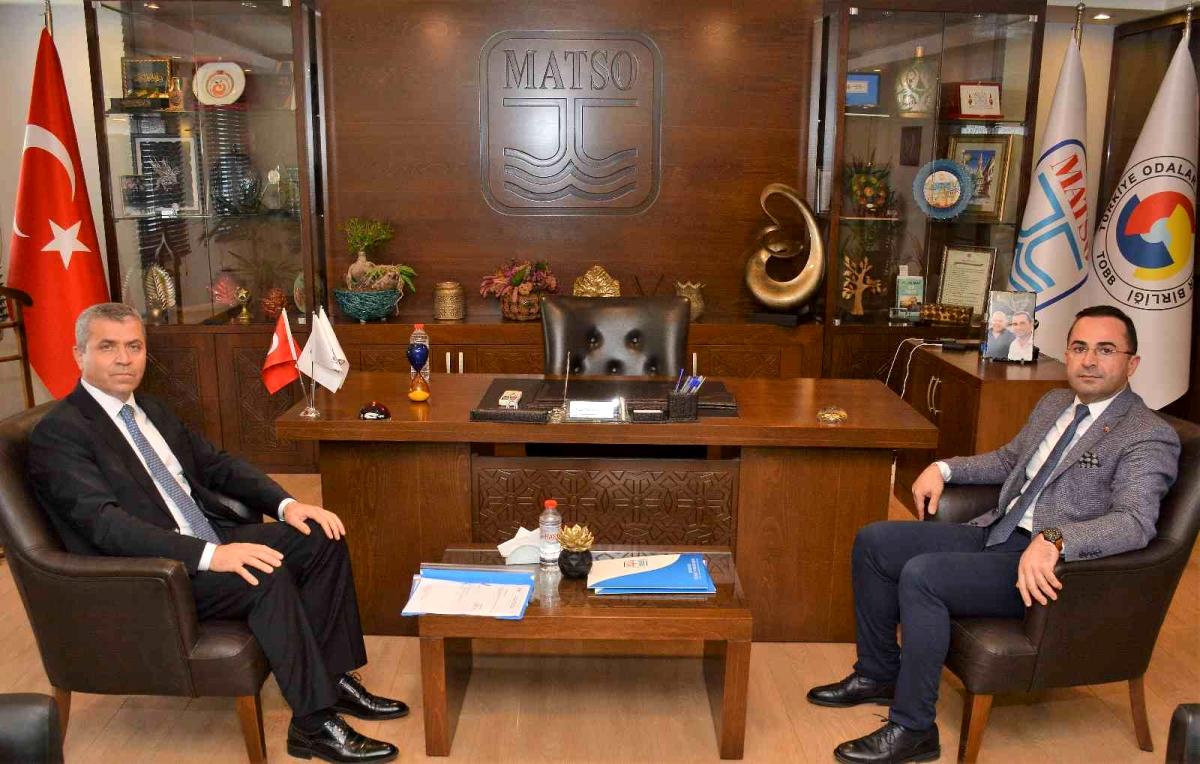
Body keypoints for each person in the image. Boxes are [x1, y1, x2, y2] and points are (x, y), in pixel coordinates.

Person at [28, 303, 405, 764]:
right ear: (79, 354)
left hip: (209, 537)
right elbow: (107, 526)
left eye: (134, 346)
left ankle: (331, 678)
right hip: (155, 573)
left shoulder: (149, 409)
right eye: (108, 347)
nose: (124, 359)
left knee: (320, 536)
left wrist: (287, 505)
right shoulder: (61, 434)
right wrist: (209, 555)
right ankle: (313, 725)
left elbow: (216, 465)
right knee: (263, 574)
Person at [806, 304, 1180, 764]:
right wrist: (944, 467)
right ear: (1066, 354)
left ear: (1131, 363)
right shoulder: (1055, 403)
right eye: (1079, 347)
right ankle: (878, 673)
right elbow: (1008, 461)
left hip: (1046, 570)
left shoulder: (1146, 434)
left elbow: (1135, 521)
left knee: (923, 575)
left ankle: (915, 729)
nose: (1089, 360)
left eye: (1105, 350)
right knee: (875, 542)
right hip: (998, 532)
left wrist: (1056, 539)